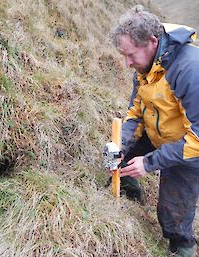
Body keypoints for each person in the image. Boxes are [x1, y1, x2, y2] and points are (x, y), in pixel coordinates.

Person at [110, 5, 199, 257]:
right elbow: (136, 111)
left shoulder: (190, 70)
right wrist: (120, 145)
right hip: (159, 130)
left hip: (189, 147)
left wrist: (150, 163)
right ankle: (128, 190)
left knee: (173, 215)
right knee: (121, 154)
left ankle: (183, 248)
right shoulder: (145, 66)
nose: (127, 63)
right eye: (123, 55)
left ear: (151, 41)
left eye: (130, 55)